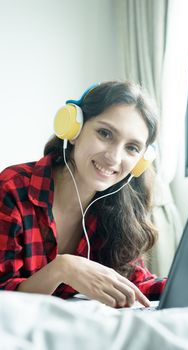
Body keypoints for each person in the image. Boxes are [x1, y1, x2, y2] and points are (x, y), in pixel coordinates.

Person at [0, 81, 167, 308]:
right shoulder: (13, 187)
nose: (114, 158)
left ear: (141, 161)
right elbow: (4, 297)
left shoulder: (118, 207)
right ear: (74, 130)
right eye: (105, 133)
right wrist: (64, 268)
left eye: (132, 148)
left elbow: (136, 283)